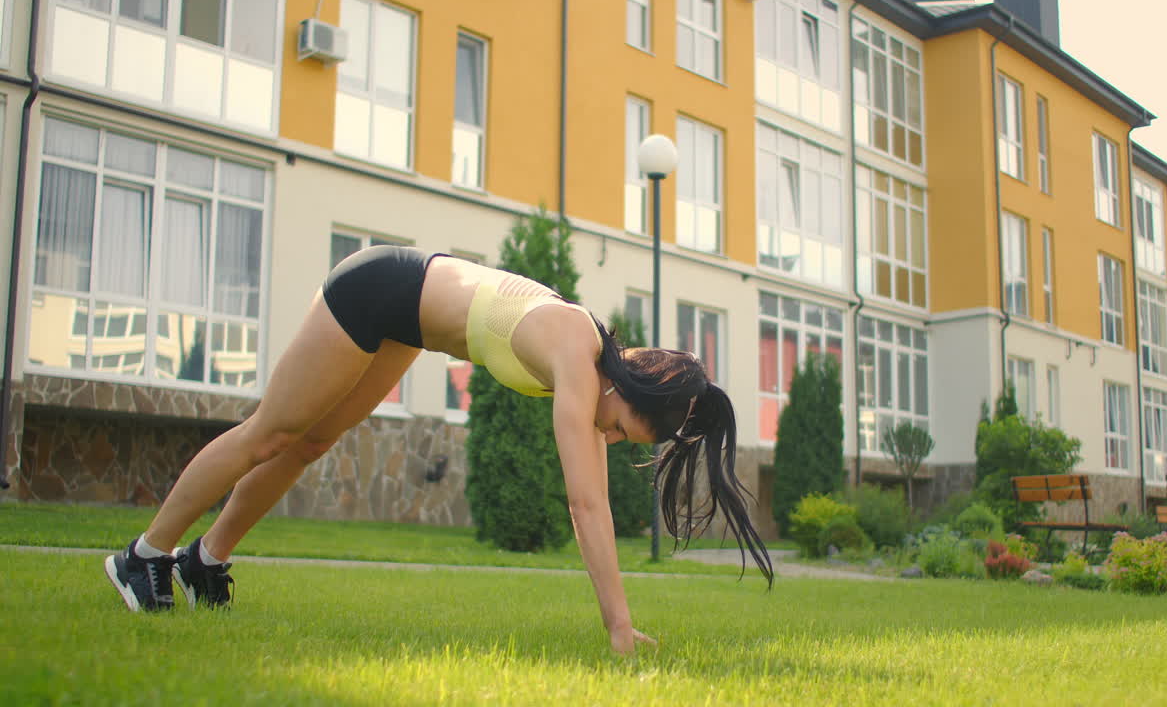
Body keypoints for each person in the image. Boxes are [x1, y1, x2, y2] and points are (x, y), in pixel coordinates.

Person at [104, 246, 772, 654]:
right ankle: (144, 556)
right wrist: (619, 631)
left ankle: (204, 561)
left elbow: (590, 501)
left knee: (309, 441)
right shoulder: (577, 351)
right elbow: (586, 507)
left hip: (406, 322)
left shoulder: (592, 374)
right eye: (622, 427)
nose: (610, 436)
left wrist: (622, 623)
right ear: (630, 386)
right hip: (378, 288)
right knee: (270, 432)